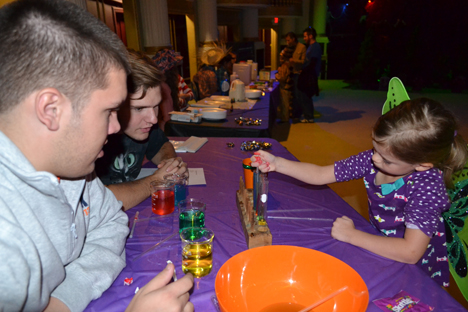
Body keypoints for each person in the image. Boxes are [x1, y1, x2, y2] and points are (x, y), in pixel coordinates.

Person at [0, 1, 193, 311]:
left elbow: (113, 222)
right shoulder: (6, 236)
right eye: (108, 112)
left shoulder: (74, 170)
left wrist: (61, 301)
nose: (116, 126)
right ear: (51, 111)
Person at [251, 98, 468, 287]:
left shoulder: (427, 188)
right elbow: (320, 174)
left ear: (422, 165)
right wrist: (278, 163)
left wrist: (352, 235)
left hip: (416, 270)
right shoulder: (376, 159)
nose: (374, 158)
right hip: (381, 243)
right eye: (375, 148)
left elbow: (410, 253)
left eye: (386, 159)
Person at [96, 49, 187, 211]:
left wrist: (169, 165)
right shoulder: (93, 137)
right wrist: (155, 182)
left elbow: (162, 146)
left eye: (155, 106)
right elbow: (98, 203)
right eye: (139, 109)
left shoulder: (143, 126)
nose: (153, 119)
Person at [297, 27, 322, 121]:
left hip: (310, 74)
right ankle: (308, 115)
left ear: (311, 36)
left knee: (305, 94)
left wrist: (304, 71)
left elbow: (313, 62)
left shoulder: (315, 47)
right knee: (304, 94)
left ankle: (309, 117)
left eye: (305, 36)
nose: (304, 38)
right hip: (307, 73)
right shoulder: (311, 47)